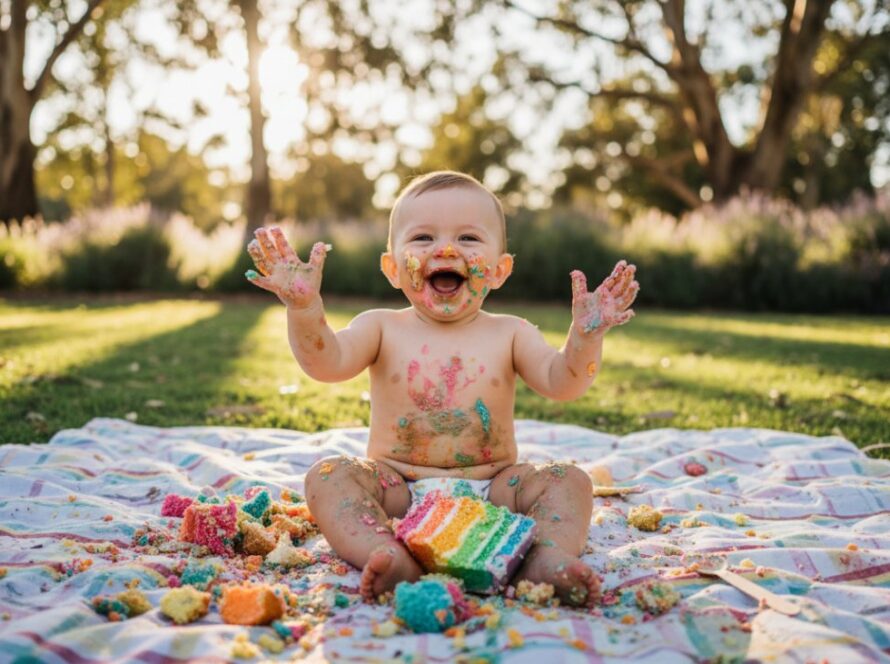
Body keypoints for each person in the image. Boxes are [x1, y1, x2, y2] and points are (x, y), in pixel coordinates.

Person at [245, 170, 639, 608]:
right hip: (396, 489)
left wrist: (586, 336)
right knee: (327, 476)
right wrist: (304, 309)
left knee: (571, 481)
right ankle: (387, 552)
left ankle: (544, 555)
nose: (446, 249)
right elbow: (325, 363)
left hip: (495, 491)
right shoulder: (379, 326)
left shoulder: (511, 332)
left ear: (500, 270)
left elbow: (563, 383)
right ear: (392, 268)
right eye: (423, 237)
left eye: (469, 238)